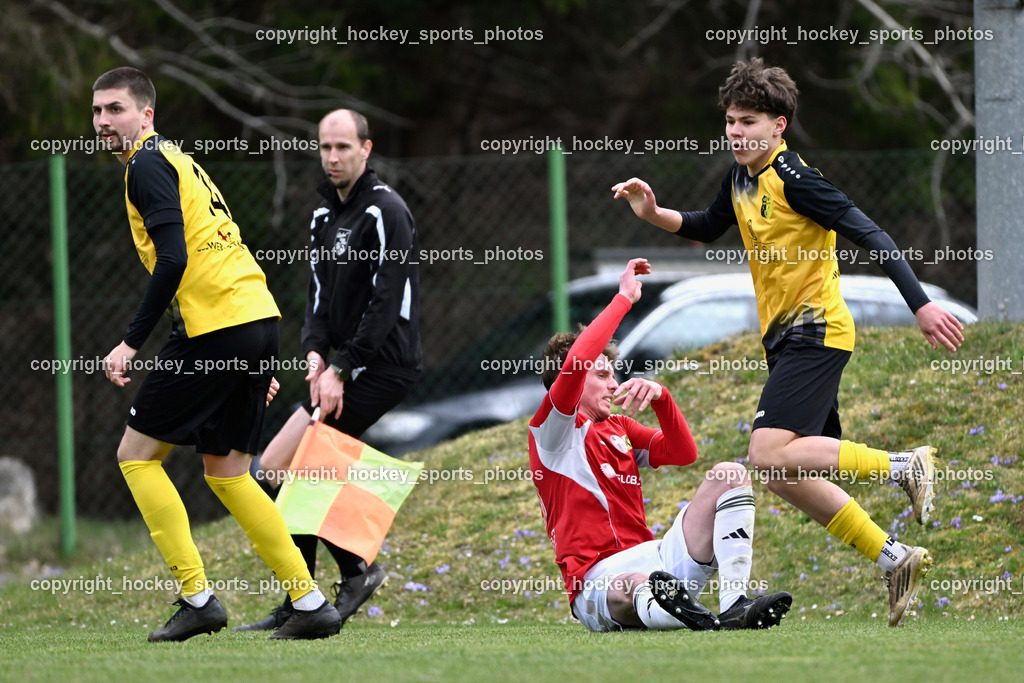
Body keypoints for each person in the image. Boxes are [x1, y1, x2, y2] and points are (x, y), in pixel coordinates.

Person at [611, 58, 965, 626]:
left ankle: (906, 466)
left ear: (779, 126)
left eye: (748, 121)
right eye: (730, 120)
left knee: (764, 454)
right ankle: (894, 558)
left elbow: (872, 234)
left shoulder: (797, 180)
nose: (735, 132)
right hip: (785, 342)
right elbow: (705, 224)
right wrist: (652, 212)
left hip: (817, 332)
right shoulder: (739, 180)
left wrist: (920, 305)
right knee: (785, 472)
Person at [93, 66, 341, 641]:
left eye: (117, 109)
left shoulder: (147, 165)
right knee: (228, 471)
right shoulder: (179, 161)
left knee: (136, 456)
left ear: (146, 115)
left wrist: (131, 341)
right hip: (254, 320)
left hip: (219, 328)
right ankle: (309, 603)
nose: (104, 121)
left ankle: (197, 598)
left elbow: (175, 258)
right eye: (98, 111)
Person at [529, 258, 791, 633]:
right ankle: (683, 616)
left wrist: (662, 398)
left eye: (613, 374)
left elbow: (684, 453)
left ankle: (733, 605)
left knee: (730, 475)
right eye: (601, 375)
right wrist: (623, 299)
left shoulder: (619, 427)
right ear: (566, 383)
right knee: (633, 585)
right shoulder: (552, 431)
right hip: (598, 581)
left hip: (658, 560)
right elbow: (579, 358)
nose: (613, 383)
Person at [236, 109, 422, 632]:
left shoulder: (388, 211)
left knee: (301, 468)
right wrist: (316, 354)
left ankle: (324, 591)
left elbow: (387, 304)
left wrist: (342, 366)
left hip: (382, 366)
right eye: (325, 147)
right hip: (340, 366)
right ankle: (324, 587)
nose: (333, 157)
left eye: (343, 147)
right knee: (273, 469)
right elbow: (317, 301)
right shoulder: (323, 218)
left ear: (367, 149)